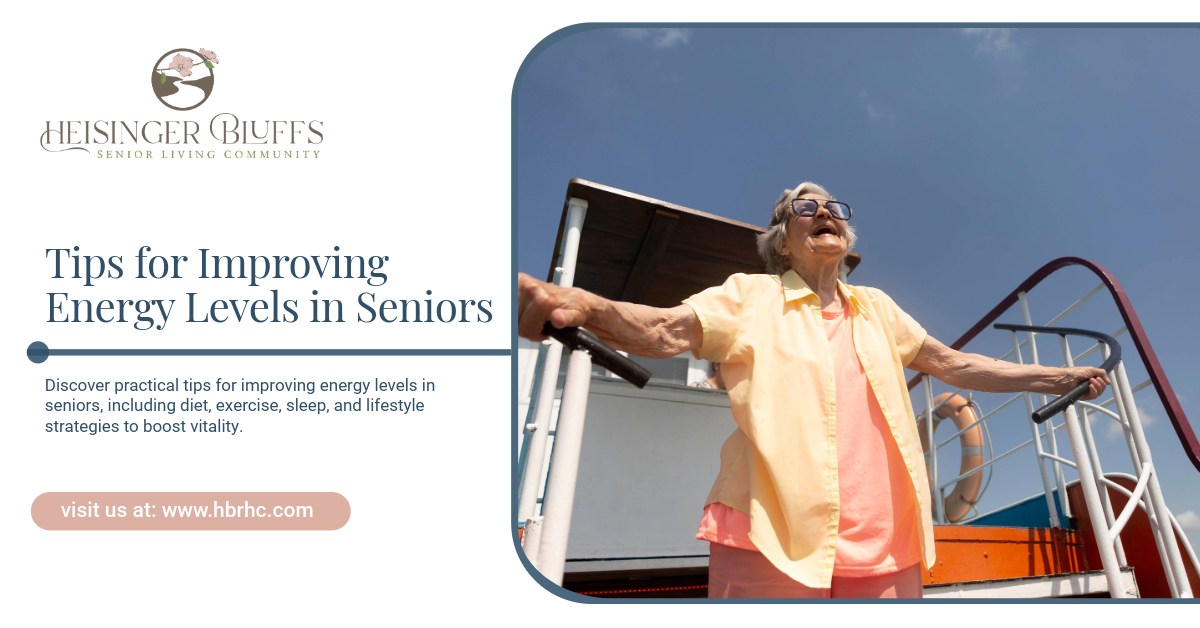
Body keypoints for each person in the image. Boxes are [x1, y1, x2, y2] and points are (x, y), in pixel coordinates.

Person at [516, 182, 1109, 599]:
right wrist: (587, 305)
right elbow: (665, 330)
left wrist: (1060, 377)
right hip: (767, 534)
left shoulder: (877, 308)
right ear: (782, 240)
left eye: (834, 206)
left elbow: (953, 365)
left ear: (847, 237)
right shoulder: (751, 296)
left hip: (885, 544)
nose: (824, 211)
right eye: (806, 205)